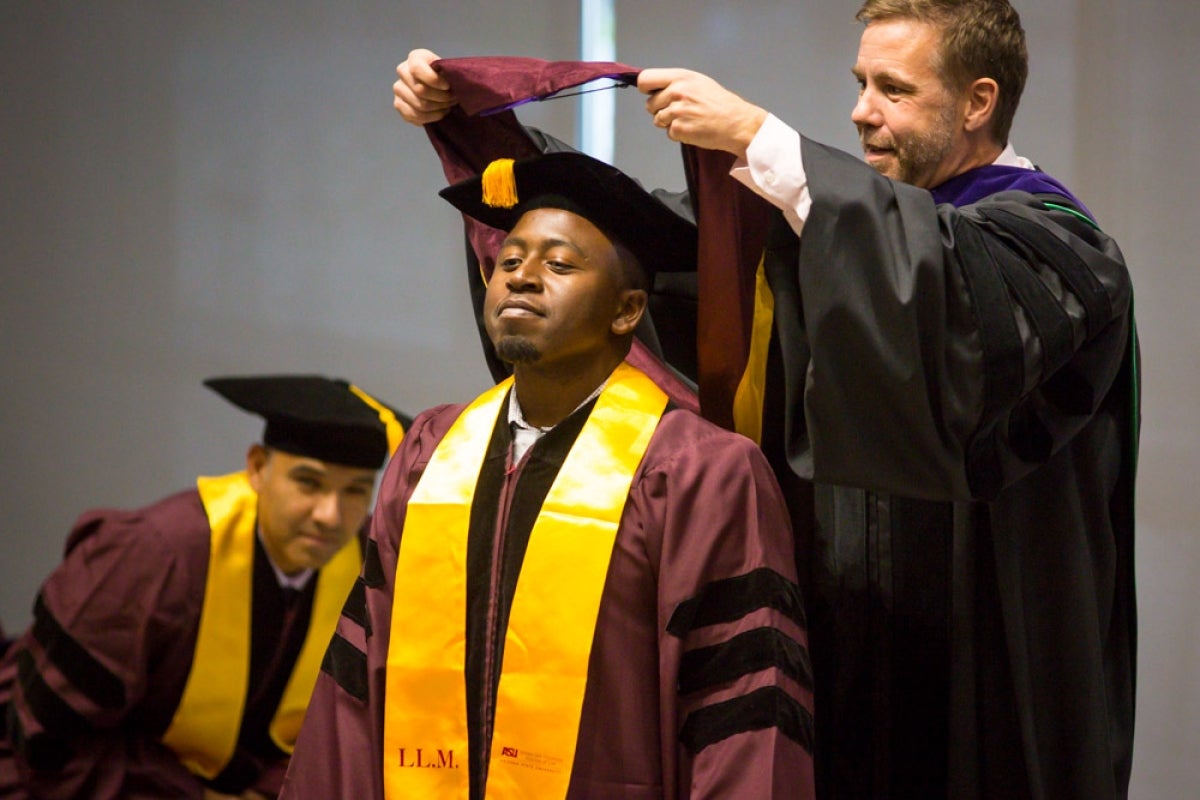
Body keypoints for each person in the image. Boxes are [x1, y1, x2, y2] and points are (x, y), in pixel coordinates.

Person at [394, 0, 1139, 796]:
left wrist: (760, 138)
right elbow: (650, 254)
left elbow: (946, 320)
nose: (860, 112)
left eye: (893, 89)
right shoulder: (829, 239)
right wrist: (483, 131)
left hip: (979, 683)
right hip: (831, 656)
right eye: (859, 83)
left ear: (978, 101)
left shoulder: (1058, 246)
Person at [280, 151, 815, 799]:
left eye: (558, 265)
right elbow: (356, 692)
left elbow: (741, 704)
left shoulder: (701, 472)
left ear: (627, 310)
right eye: (509, 261)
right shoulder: (433, 453)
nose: (522, 279)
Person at [0, 375, 409, 800]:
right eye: (308, 482)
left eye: (356, 491)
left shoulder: (365, 569)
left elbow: (341, 733)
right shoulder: (153, 555)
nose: (329, 515)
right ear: (256, 468)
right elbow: (47, 732)